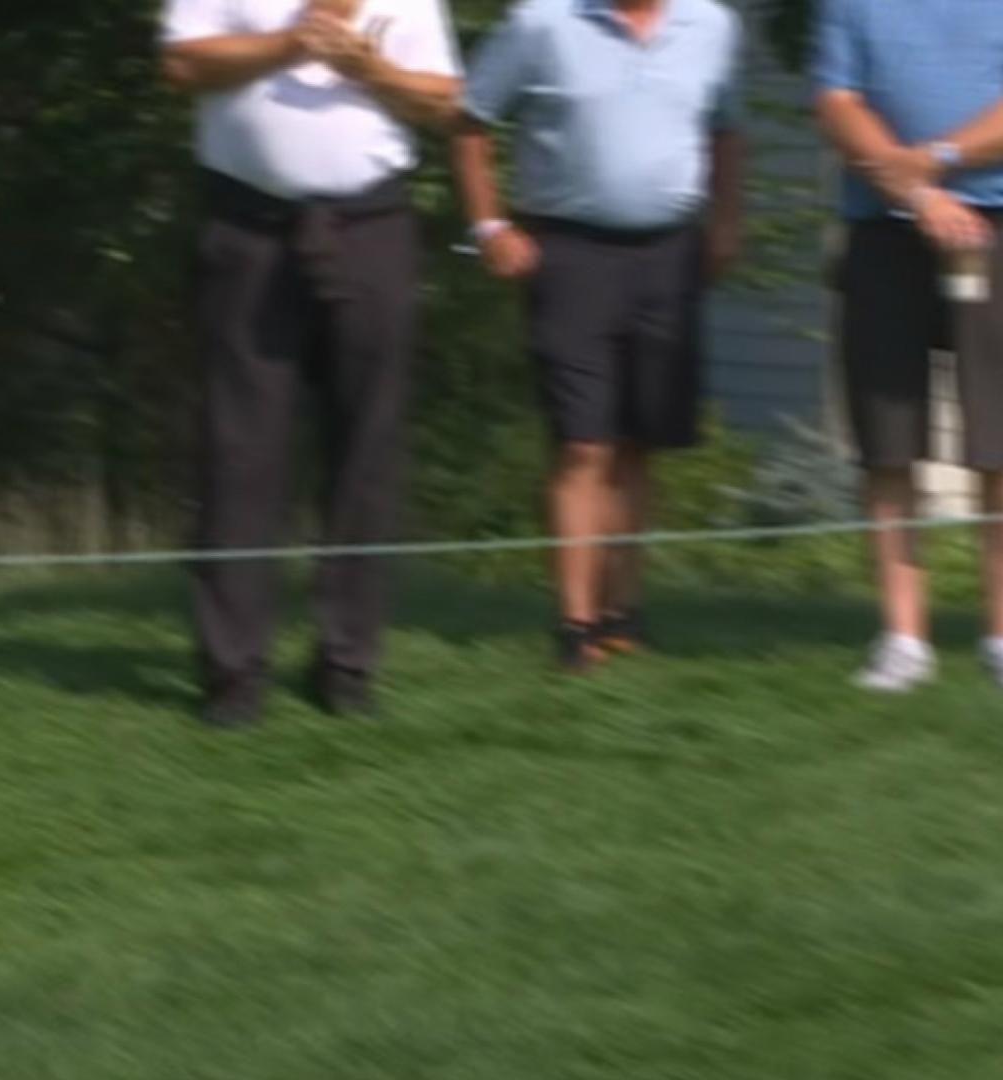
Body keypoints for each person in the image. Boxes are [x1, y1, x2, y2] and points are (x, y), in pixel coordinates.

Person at [160, 0, 462, 727]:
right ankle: (234, 675)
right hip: (249, 228)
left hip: (371, 227)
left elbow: (444, 101)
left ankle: (347, 666)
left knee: (366, 450)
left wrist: (368, 67)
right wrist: (292, 43)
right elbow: (182, 63)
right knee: (240, 452)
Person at [453, 0, 746, 672]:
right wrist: (490, 228)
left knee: (641, 443)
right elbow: (470, 119)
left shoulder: (712, 24)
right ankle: (575, 625)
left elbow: (728, 130)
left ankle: (624, 615)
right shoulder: (541, 22)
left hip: (670, 254)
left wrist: (727, 223)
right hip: (570, 250)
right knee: (583, 441)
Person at [812, 0, 1003, 692]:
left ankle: (1001, 636)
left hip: (994, 223)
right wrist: (920, 194)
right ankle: (902, 639)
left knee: (1000, 444)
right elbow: (836, 103)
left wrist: (936, 160)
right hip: (883, 232)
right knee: (888, 441)